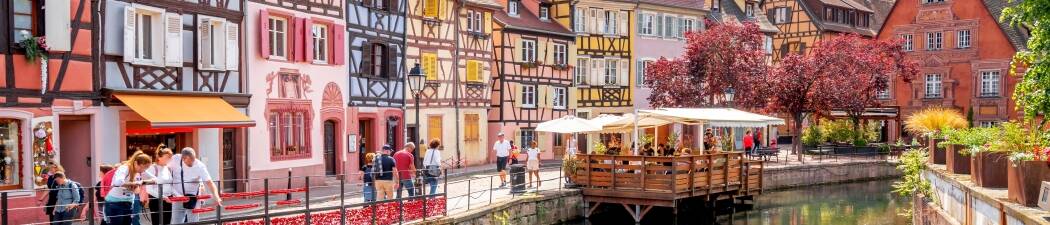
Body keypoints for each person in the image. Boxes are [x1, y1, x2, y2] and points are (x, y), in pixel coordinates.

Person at [168, 147, 222, 224]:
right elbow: (165, 167)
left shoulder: (200, 166)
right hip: (178, 197)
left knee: (193, 222)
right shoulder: (175, 159)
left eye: (194, 160)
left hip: (193, 198)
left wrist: (216, 196)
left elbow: (210, 182)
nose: (192, 163)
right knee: (176, 222)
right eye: (190, 161)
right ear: (183, 158)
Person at [105, 151, 156, 225]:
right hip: (114, 203)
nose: (143, 170)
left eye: (146, 168)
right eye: (143, 167)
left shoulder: (141, 171)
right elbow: (118, 182)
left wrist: (141, 182)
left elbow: (155, 179)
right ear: (135, 163)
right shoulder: (124, 168)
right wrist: (133, 184)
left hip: (128, 203)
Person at [145, 147, 174, 225]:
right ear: (159, 157)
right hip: (156, 200)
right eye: (167, 157)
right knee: (157, 222)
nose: (169, 159)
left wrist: (176, 195)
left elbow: (171, 185)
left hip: (168, 200)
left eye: (170, 157)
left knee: (167, 222)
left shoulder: (168, 168)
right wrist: (163, 197)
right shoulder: (152, 168)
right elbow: (149, 189)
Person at [40, 161, 66, 225]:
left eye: (51, 168)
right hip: (52, 200)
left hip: (59, 200)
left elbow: (62, 189)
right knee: (52, 219)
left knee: (59, 220)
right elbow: (49, 188)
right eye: (49, 168)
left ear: (56, 168)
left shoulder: (61, 177)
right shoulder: (50, 178)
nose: (50, 170)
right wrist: (41, 199)